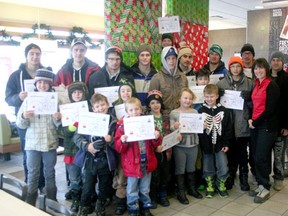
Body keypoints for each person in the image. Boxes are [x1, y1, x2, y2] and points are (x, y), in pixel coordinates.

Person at [16, 68, 61, 206]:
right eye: (39, 82)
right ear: (35, 84)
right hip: (32, 143)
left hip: (50, 142)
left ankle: (52, 201)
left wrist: (58, 118)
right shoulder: (29, 100)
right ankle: (30, 200)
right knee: (33, 173)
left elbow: (58, 125)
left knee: (49, 173)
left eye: (46, 83)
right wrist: (24, 116)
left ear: (50, 84)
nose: (42, 85)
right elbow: (20, 124)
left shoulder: (55, 100)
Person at [5, 43, 46, 192]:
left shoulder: (46, 72)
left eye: (38, 54)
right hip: (25, 121)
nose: (35, 57)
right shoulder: (16, 75)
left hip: (44, 121)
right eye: (32, 54)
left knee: (44, 154)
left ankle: (42, 184)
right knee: (28, 154)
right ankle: (30, 183)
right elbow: (8, 98)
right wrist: (19, 97)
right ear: (26, 56)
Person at [114, 97, 162, 216]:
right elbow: (118, 147)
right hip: (132, 165)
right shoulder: (122, 126)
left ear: (141, 109)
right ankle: (133, 208)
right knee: (131, 189)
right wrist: (123, 141)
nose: (134, 112)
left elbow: (155, 143)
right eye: (131, 110)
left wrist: (156, 137)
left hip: (147, 162)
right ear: (126, 112)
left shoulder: (147, 122)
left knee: (145, 188)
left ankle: (145, 207)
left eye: (136, 109)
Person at [74, 93, 117, 216]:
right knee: (87, 186)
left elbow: (118, 143)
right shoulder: (87, 119)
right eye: (97, 106)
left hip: (106, 159)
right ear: (93, 109)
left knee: (104, 185)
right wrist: (87, 146)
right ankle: (84, 206)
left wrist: (111, 140)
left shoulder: (114, 122)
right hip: (89, 159)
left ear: (108, 105)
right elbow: (77, 137)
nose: (100, 108)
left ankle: (100, 205)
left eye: (103, 104)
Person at [216, 56, 254, 191]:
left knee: (243, 153)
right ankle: (231, 176)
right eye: (233, 66)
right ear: (229, 68)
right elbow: (214, 103)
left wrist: (248, 99)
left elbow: (254, 104)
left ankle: (244, 177)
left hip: (242, 124)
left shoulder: (249, 83)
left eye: (238, 66)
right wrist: (218, 96)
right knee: (230, 153)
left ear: (242, 67)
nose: (235, 69)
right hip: (227, 125)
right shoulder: (221, 84)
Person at [248, 58, 280, 203]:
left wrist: (255, 122)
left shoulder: (271, 85)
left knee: (261, 156)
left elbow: (270, 109)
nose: (258, 71)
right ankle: (261, 184)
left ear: (266, 69)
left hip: (267, 126)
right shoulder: (256, 84)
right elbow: (254, 106)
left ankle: (265, 187)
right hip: (255, 125)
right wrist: (250, 119)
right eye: (255, 68)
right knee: (255, 156)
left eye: (261, 68)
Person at [58, 81, 89, 213]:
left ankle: (85, 199)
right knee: (74, 177)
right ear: (70, 94)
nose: (77, 94)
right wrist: (72, 127)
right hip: (71, 150)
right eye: (74, 92)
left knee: (86, 176)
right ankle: (76, 198)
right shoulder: (65, 110)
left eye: (80, 92)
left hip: (85, 150)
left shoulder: (89, 108)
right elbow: (62, 132)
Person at [198, 84, 232, 199]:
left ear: (217, 96)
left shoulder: (224, 111)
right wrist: (200, 127)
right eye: (207, 96)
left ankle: (221, 184)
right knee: (207, 166)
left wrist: (226, 143)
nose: (209, 99)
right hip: (206, 145)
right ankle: (210, 185)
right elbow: (197, 130)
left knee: (223, 165)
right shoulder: (200, 111)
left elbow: (228, 128)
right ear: (204, 96)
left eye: (212, 96)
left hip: (220, 145)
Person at [169, 88, 202, 205]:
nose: (187, 100)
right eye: (185, 98)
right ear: (179, 99)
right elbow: (171, 128)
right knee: (180, 168)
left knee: (191, 167)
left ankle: (192, 189)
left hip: (193, 144)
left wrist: (203, 125)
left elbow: (199, 128)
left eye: (190, 98)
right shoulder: (174, 113)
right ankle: (181, 192)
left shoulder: (195, 112)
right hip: (180, 146)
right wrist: (175, 126)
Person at [112, 79, 136, 215]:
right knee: (121, 174)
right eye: (123, 91)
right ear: (119, 93)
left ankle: (134, 201)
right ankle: (121, 202)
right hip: (121, 146)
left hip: (135, 148)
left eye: (128, 90)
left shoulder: (137, 106)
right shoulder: (114, 107)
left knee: (133, 175)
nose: (126, 93)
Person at [146, 90, 171, 208]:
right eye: (152, 103)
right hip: (153, 151)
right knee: (154, 175)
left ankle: (163, 195)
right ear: (149, 105)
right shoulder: (146, 117)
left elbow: (169, 132)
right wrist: (155, 147)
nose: (155, 105)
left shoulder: (165, 116)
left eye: (158, 102)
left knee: (165, 173)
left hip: (165, 150)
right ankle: (153, 196)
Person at [149, 46, 188, 114]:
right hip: (164, 117)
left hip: (181, 115)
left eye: (173, 58)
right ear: (164, 60)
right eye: (168, 58)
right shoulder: (157, 78)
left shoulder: (183, 78)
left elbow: (187, 97)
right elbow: (152, 101)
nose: (171, 61)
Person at [269, 51, 288, 191]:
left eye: (278, 60)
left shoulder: (286, 79)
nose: (275, 62)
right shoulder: (265, 77)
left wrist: (286, 125)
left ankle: (279, 177)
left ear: (282, 62)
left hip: (281, 124)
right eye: (273, 59)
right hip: (267, 123)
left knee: (279, 153)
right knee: (264, 152)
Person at [131, 44, 157, 110]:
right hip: (135, 112)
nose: (145, 57)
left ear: (151, 57)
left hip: (151, 112)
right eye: (142, 55)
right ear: (138, 57)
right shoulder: (131, 74)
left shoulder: (156, 75)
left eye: (147, 55)